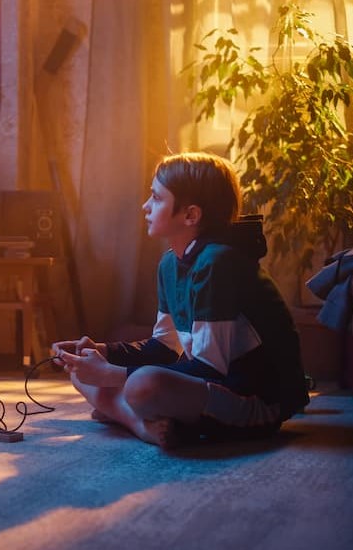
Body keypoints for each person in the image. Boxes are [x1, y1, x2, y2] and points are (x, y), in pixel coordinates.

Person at [51, 151, 309, 448]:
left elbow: (211, 370)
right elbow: (162, 348)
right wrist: (103, 353)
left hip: (254, 401)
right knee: (82, 371)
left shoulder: (218, 263)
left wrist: (112, 374)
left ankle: (129, 418)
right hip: (214, 387)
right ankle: (137, 420)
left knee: (141, 384)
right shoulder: (170, 263)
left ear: (190, 215)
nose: (145, 206)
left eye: (157, 198)